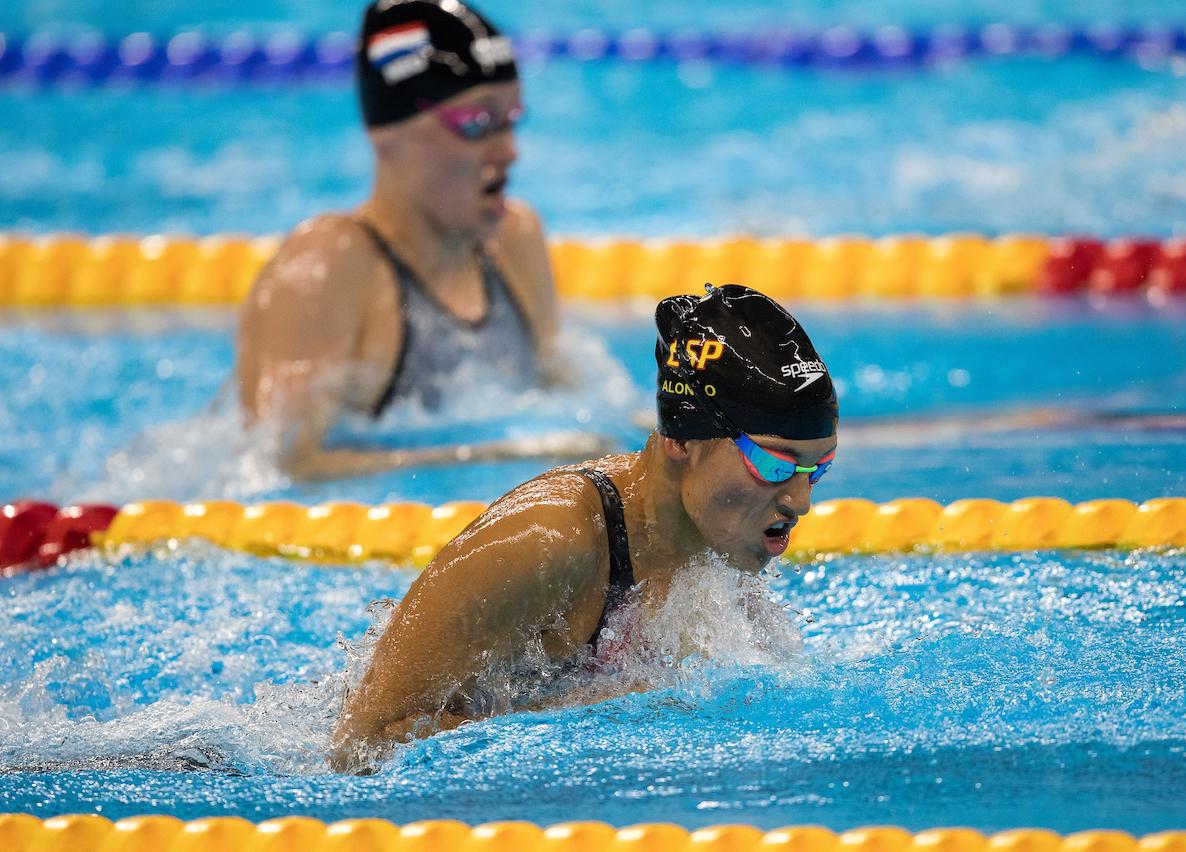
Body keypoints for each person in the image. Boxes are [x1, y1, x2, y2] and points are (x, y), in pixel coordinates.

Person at [331, 284, 839, 772]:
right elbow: (359, 743)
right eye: (775, 466)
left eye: (817, 469)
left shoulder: (716, 539)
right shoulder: (547, 540)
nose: (800, 501)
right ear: (683, 440)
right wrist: (585, 714)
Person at [236, 0, 573, 480]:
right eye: (477, 123)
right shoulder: (330, 265)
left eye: (511, 120)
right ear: (387, 134)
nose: (509, 151)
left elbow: (566, 392)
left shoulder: (513, 239)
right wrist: (506, 456)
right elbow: (282, 468)